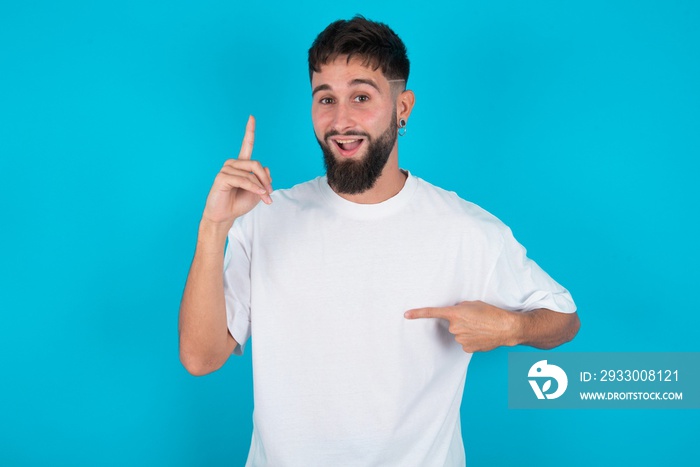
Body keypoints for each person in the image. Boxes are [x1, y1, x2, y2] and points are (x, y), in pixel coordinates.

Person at [179, 15, 580, 467]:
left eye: (361, 96)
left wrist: (512, 327)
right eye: (325, 98)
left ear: (402, 107)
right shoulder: (265, 217)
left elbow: (564, 318)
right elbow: (200, 357)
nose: (341, 120)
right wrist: (214, 226)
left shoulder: (466, 230)